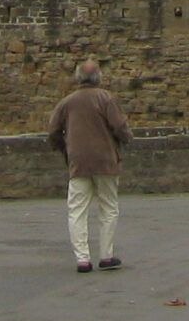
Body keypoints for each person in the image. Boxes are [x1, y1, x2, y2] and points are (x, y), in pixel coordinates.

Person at [48, 58, 132, 271]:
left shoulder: (67, 103)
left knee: (76, 210)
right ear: (98, 78)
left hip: (78, 162)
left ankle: (82, 259)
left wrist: (65, 148)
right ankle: (106, 255)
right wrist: (124, 140)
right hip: (105, 160)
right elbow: (119, 126)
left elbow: (53, 132)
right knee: (108, 207)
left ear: (78, 78)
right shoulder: (106, 99)